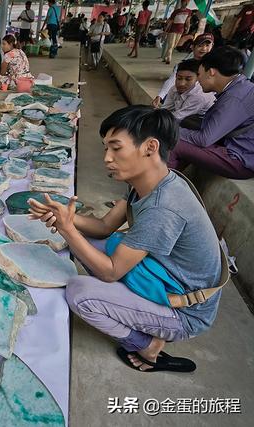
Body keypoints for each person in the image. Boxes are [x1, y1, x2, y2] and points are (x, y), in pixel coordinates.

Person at [30, 105, 223, 373]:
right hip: (167, 277)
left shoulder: (163, 207)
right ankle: (132, 307)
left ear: (150, 147)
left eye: (116, 148)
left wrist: (67, 230)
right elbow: (105, 226)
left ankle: (146, 345)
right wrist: (66, 217)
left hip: (186, 312)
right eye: (105, 148)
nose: (107, 157)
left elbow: (110, 272)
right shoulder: (149, 182)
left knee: (80, 292)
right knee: (94, 245)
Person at [168, 46, 254, 180]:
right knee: (188, 123)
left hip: (241, 158)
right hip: (238, 148)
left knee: (174, 144)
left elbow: (204, 139)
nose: (198, 80)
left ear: (212, 72)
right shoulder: (239, 87)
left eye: (199, 74)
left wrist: (169, 130)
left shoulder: (234, 98)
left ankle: (155, 190)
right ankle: (175, 178)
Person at [152, 33, 214, 108]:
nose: (204, 49)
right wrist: (160, 95)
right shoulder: (183, 64)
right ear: (193, 47)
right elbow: (172, 80)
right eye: (200, 45)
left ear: (212, 47)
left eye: (207, 45)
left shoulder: (213, 68)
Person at [163, 0, 192, 65]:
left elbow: (188, 21)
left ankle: (166, 56)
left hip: (180, 30)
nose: (186, 3)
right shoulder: (176, 11)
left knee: (174, 45)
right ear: (182, 2)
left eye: (187, 2)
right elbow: (170, 21)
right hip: (173, 29)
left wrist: (188, 28)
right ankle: (169, 58)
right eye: (185, 1)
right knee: (171, 44)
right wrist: (166, 30)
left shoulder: (189, 11)